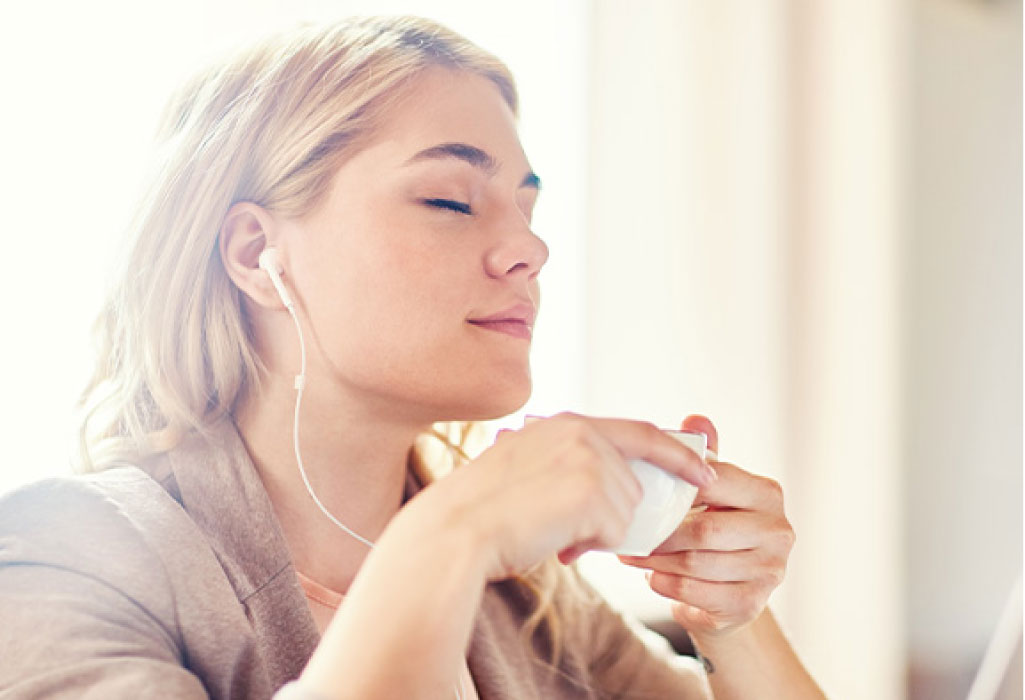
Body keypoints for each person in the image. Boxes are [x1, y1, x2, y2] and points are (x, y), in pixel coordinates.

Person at [0, 16, 826, 699]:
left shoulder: (536, 607)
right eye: (449, 200)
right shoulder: (60, 556)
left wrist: (728, 619)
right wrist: (450, 534)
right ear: (257, 253)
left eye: (527, 207)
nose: (528, 249)